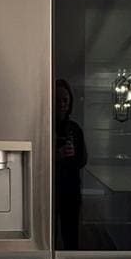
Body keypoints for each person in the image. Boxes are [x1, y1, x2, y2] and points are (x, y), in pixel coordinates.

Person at [55, 79, 87, 249]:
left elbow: (83, 160)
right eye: (57, 99)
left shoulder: (75, 129)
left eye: (65, 100)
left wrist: (72, 155)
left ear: (70, 102)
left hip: (70, 191)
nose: (62, 104)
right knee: (48, 237)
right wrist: (57, 156)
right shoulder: (44, 127)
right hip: (48, 192)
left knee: (71, 236)